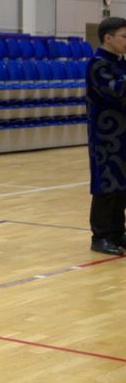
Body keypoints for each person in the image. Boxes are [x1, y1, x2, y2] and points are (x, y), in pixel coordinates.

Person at [86, 17, 126, 256]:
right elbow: (115, 92)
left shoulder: (120, 62)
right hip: (106, 136)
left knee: (122, 185)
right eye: (124, 37)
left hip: (122, 134)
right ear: (108, 38)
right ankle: (100, 236)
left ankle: (117, 232)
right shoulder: (97, 64)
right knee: (106, 184)